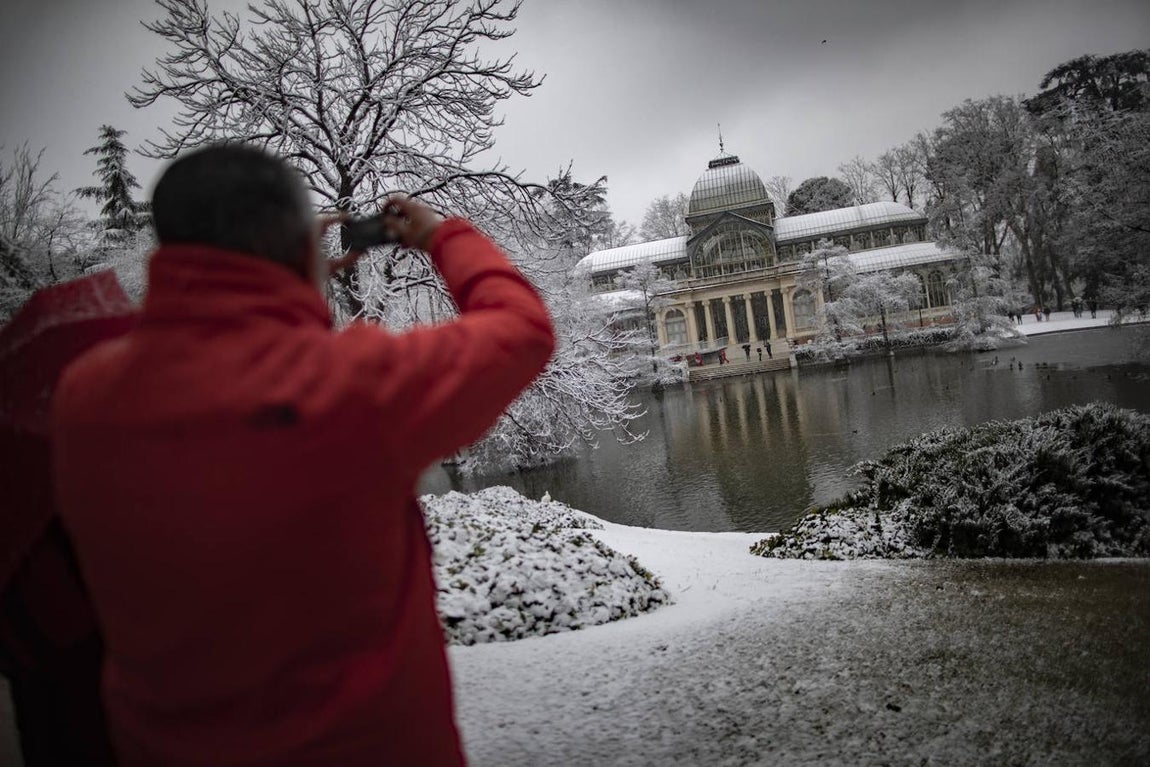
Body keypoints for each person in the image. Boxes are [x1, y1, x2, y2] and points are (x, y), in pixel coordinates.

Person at [51, 144, 556, 767]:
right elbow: (522, 329)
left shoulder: (82, 397)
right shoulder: (352, 388)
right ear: (299, 245)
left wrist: (290, 270)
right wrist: (443, 234)